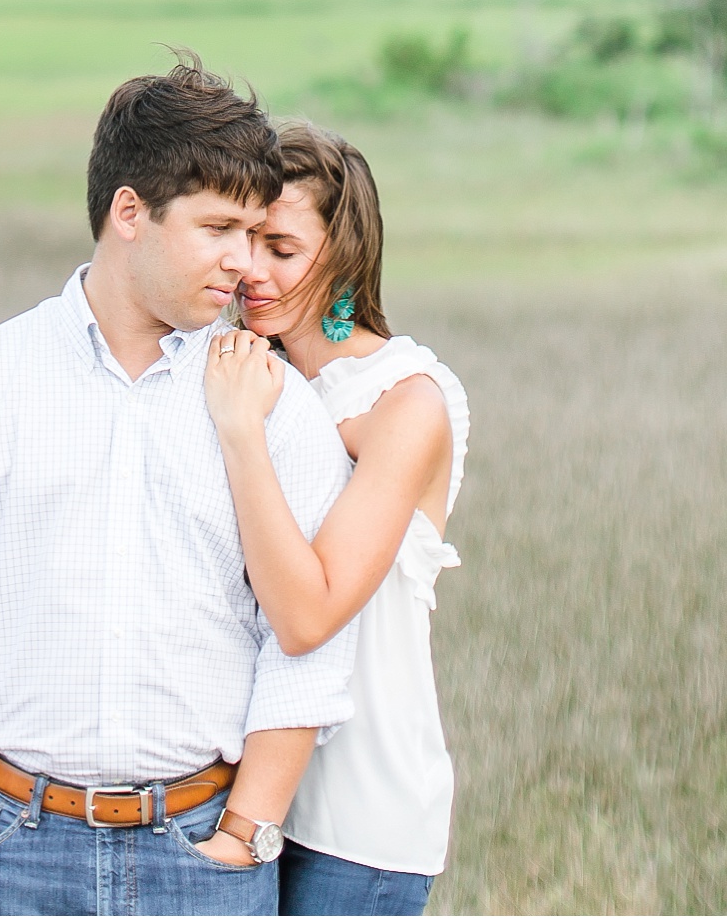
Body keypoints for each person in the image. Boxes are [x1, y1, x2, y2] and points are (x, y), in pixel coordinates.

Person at [0, 58, 361, 917]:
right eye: (219, 228)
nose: (245, 263)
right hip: (12, 850)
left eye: (256, 232)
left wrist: (241, 837)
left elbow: (304, 649)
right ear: (129, 211)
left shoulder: (275, 406)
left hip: (204, 849)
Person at [203, 124, 469, 917]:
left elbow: (308, 613)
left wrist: (244, 431)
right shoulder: (243, 371)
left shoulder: (407, 402)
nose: (252, 269)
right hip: (231, 796)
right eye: (244, 240)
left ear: (343, 253)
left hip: (359, 824)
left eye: (280, 247)